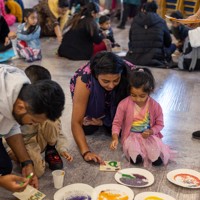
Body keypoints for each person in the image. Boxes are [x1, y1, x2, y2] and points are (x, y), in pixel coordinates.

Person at [0, 64, 65, 192]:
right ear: (20, 108)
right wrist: (1, 180)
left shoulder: (23, 90)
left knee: (4, 167)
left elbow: (11, 127)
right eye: (33, 121)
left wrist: (26, 163)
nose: (34, 125)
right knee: (3, 169)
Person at [70, 51, 135, 163]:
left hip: (116, 101)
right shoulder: (84, 79)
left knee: (127, 129)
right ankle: (105, 120)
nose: (111, 85)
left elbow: (143, 103)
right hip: (93, 103)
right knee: (87, 128)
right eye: (105, 81)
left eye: (116, 80)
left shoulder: (130, 72)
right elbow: (76, 122)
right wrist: (86, 152)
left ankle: (106, 120)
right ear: (96, 75)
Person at [110, 68, 174, 167]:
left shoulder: (155, 105)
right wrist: (115, 138)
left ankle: (152, 154)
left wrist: (151, 131)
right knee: (136, 160)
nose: (138, 99)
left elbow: (160, 124)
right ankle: (137, 154)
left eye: (142, 96)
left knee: (157, 160)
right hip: (131, 137)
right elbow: (117, 123)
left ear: (150, 91)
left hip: (149, 136)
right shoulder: (123, 104)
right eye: (133, 95)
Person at [125, 0, 176, 68]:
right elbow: (168, 42)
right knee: (173, 46)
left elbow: (131, 39)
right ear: (156, 9)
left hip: (135, 58)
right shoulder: (161, 21)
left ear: (144, 9)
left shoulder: (135, 20)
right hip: (156, 59)